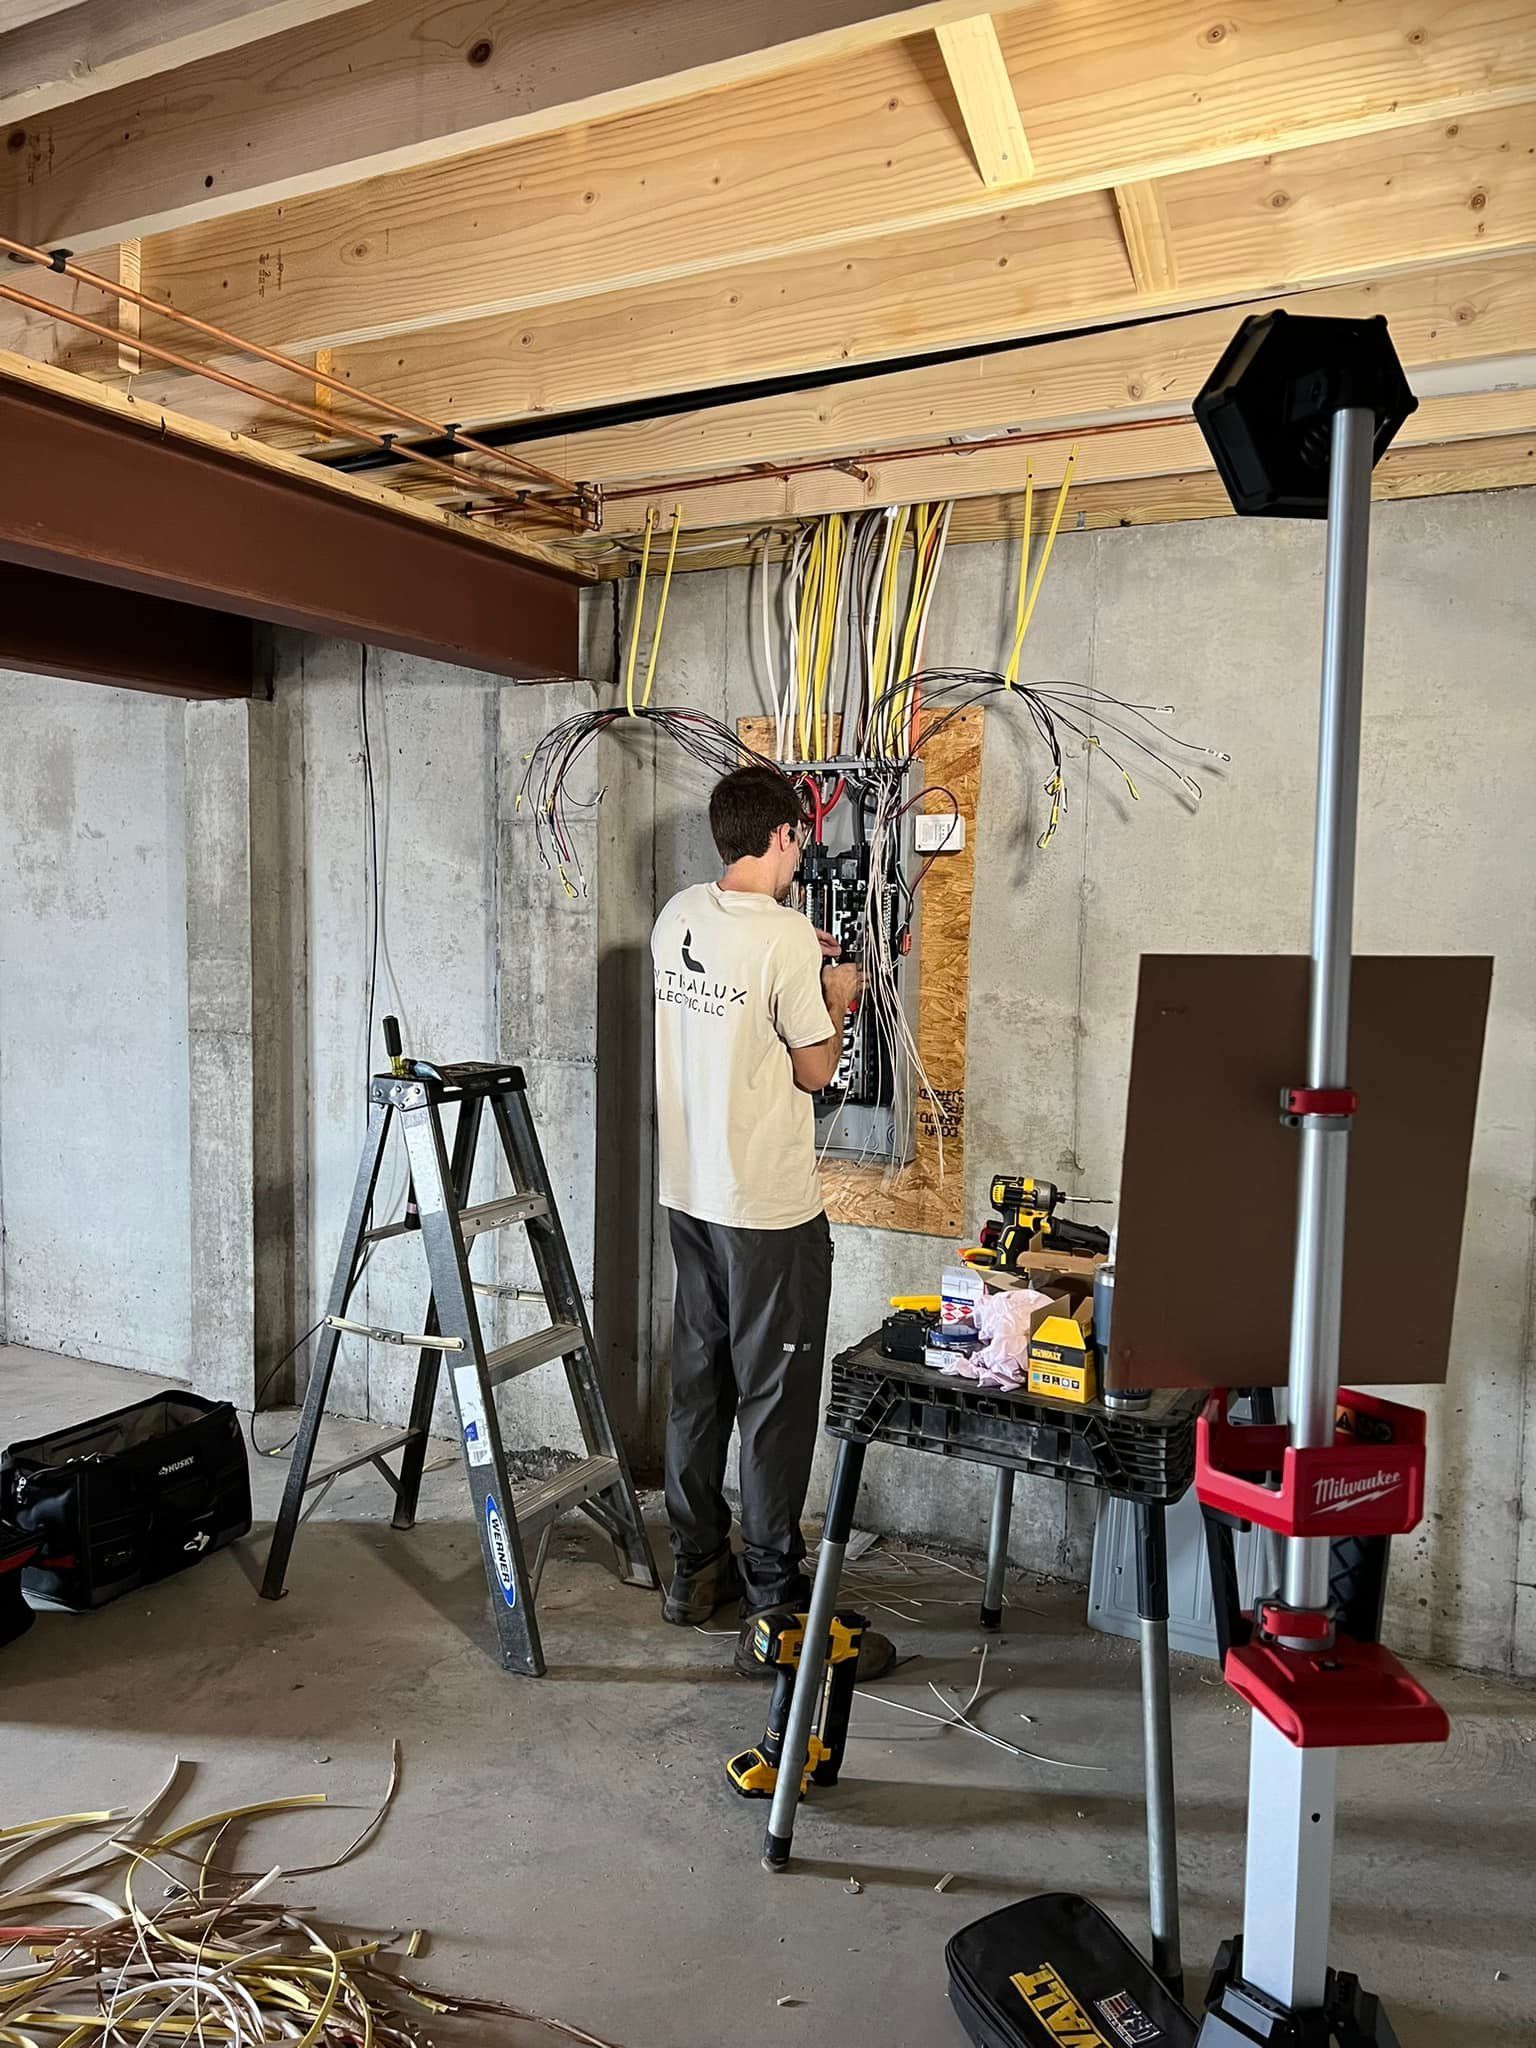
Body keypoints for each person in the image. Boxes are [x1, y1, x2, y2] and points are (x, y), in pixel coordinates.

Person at [650, 764, 895, 1681]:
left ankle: (692, 1568)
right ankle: (773, 1592)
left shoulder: (679, 914)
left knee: (699, 1380)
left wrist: (796, 968)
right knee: (775, 1396)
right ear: (787, 837)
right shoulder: (791, 940)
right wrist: (833, 999)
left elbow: (732, 1004)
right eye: (801, 837)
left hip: (691, 1190)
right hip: (767, 1209)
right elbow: (813, 1072)